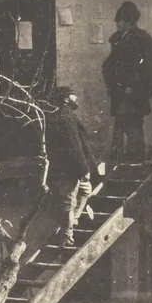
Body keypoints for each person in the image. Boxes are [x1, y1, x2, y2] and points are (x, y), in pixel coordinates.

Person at [102, 0, 152, 165]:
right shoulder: (120, 39)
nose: (117, 23)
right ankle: (120, 164)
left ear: (129, 21)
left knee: (132, 127)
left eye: (120, 20)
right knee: (121, 126)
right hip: (121, 92)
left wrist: (132, 87)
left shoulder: (139, 39)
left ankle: (135, 164)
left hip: (132, 93)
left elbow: (144, 67)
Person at [46, 85, 98, 248]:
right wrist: (84, 170)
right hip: (69, 170)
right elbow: (74, 145)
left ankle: (72, 223)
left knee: (85, 191)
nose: (77, 98)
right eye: (73, 95)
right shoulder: (66, 116)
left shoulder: (57, 116)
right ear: (66, 99)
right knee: (68, 202)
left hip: (64, 168)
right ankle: (66, 237)